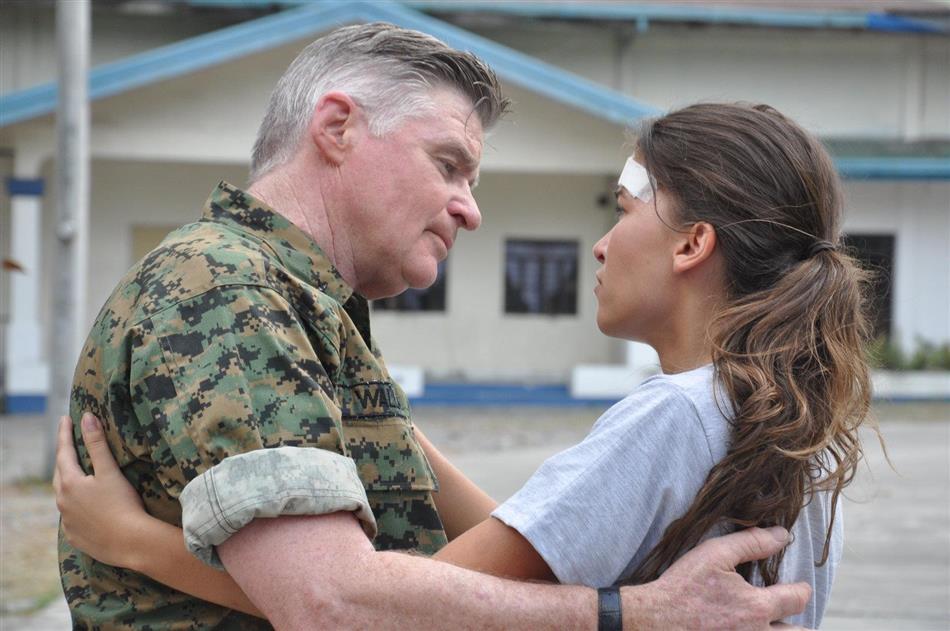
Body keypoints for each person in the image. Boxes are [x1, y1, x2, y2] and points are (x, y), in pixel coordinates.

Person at [55, 21, 812, 631]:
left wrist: (136, 543)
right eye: (448, 165)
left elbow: (504, 555)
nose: (470, 210)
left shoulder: (312, 309)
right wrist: (629, 615)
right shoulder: (232, 290)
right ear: (338, 128)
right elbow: (329, 602)